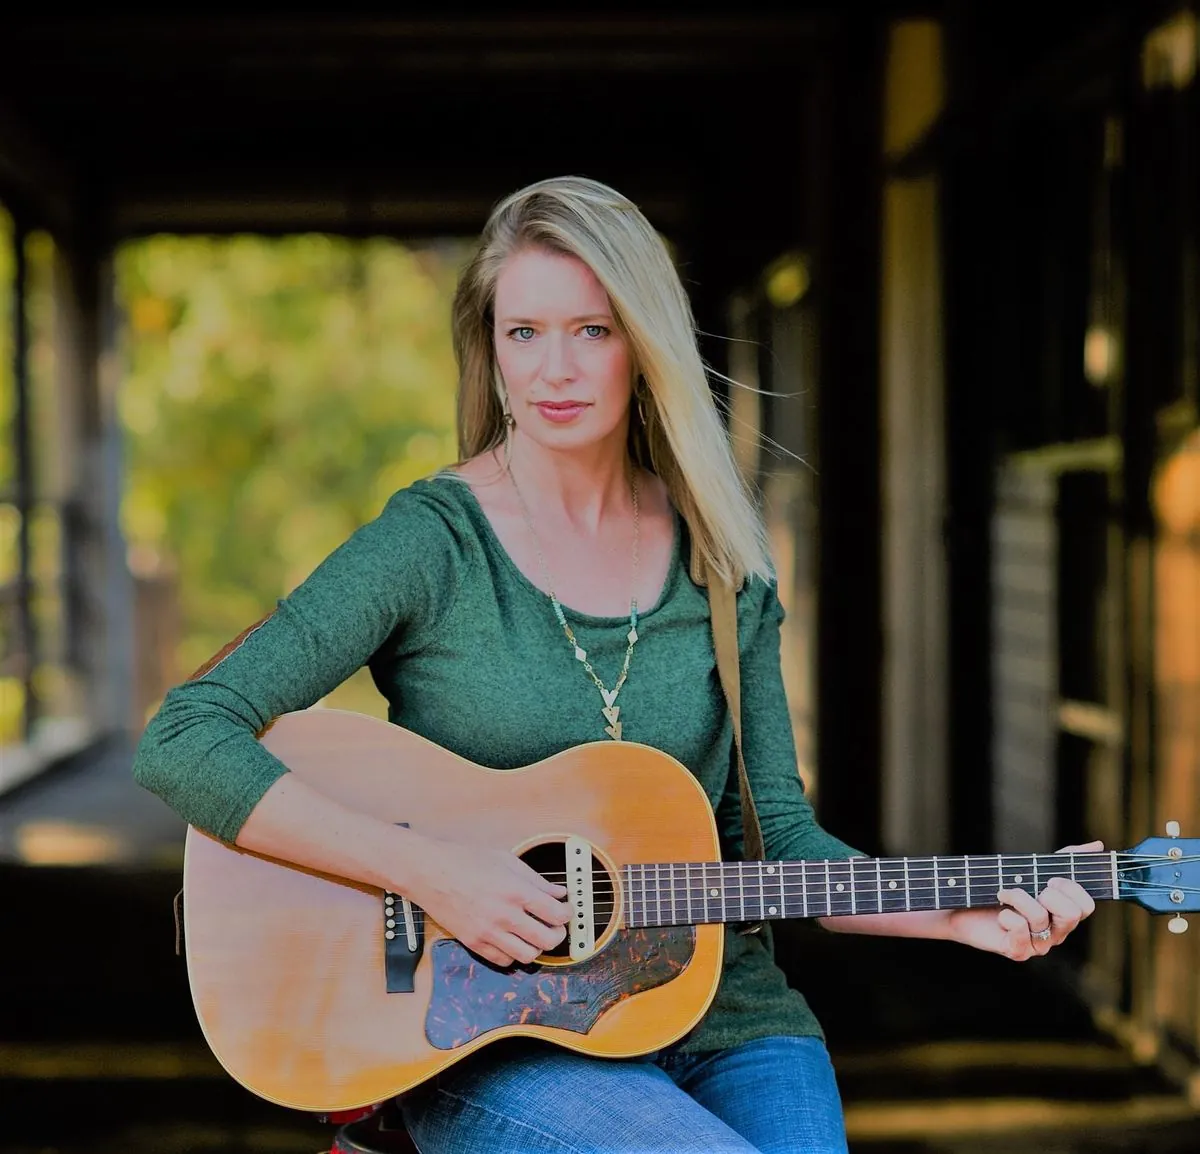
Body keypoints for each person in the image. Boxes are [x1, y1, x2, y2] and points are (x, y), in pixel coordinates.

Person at [132, 175, 1101, 1154]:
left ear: (646, 341)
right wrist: (433, 871)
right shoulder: (432, 543)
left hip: (729, 1020)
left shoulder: (723, 562)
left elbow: (783, 844)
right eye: (525, 333)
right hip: (489, 1033)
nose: (555, 367)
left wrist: (958, 916)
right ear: (490, 347)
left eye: (592, 330)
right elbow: (183, 736)